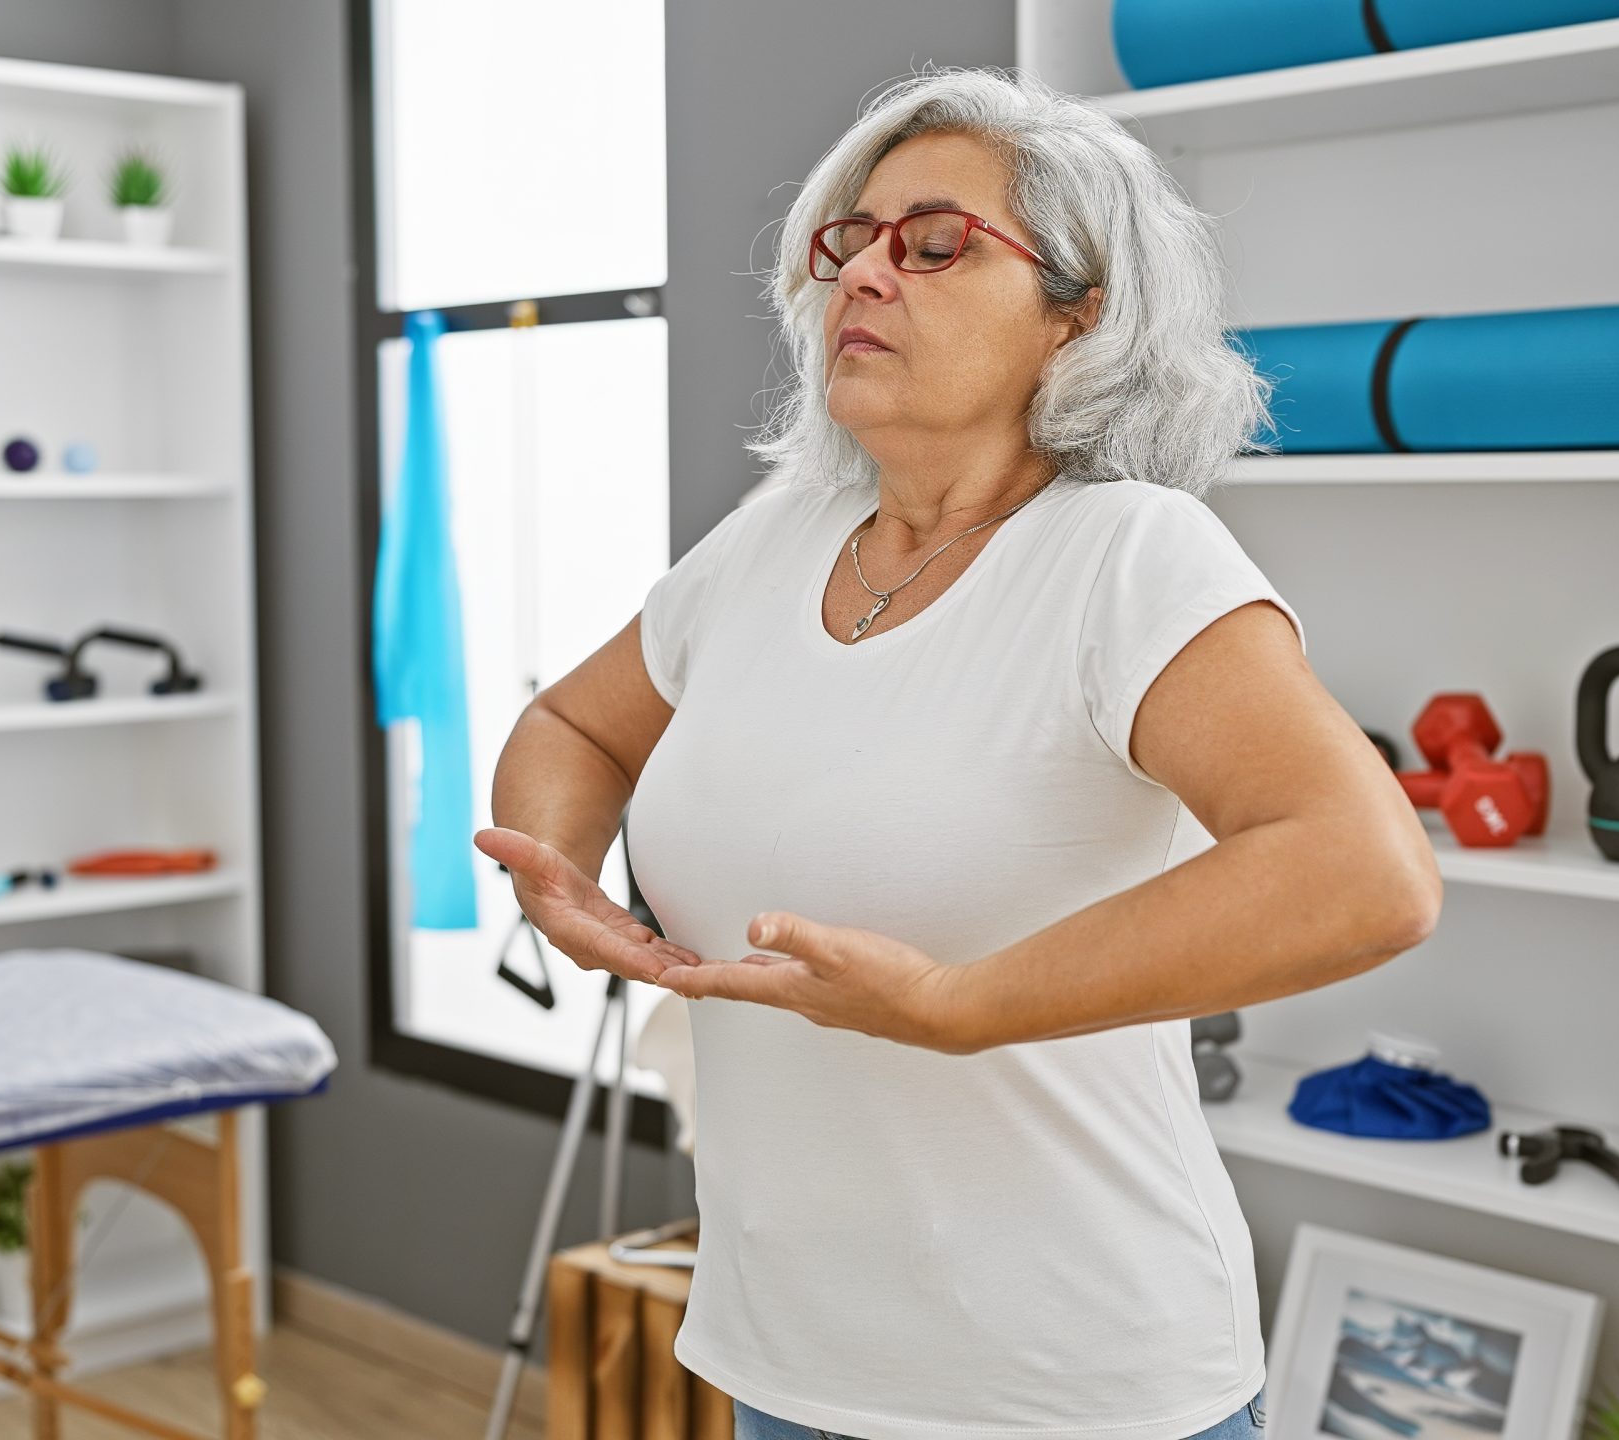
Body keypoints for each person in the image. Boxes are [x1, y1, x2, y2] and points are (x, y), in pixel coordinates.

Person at [474, 64, 1440, 1440]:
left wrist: (959, 1005)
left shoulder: (1128, 558)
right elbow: (572, 723)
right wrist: (557, 872)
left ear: (1078, 312)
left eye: (934, 244)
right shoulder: (772, 539)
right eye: (849, 240)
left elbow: (1365, 873)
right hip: (788, 1361)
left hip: (1069, 1388)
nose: (866, 274)